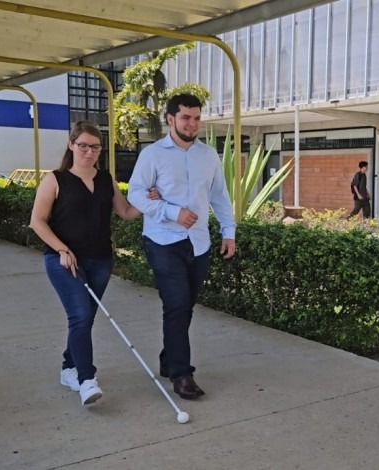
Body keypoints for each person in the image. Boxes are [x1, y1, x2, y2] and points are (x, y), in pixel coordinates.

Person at [30, 121, 158, 406]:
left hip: (100, 259)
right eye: (83, 146)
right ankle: (87, 380)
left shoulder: (105, 179)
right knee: (79, 316)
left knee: (85, 318)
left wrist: (149, 202)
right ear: (71, 146)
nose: (89, 152)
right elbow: (37, 222)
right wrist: (62, 249)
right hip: (63, 260)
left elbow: (125, 212)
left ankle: (68, 368)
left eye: (95, 147)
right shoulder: (55, 179)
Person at [127, 93, 236, 400]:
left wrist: (229, 232)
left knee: (185, 306)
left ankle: (168, 358)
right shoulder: (152, 155)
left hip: (198, 242)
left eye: (197, 118)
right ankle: (182, 374)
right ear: (170, 119)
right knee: (176, 303)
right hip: (162, 240)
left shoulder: (208, 155)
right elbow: (135, 194)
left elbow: (219, 197)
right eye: (186, 117)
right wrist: (173, 212)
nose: (193, 124)